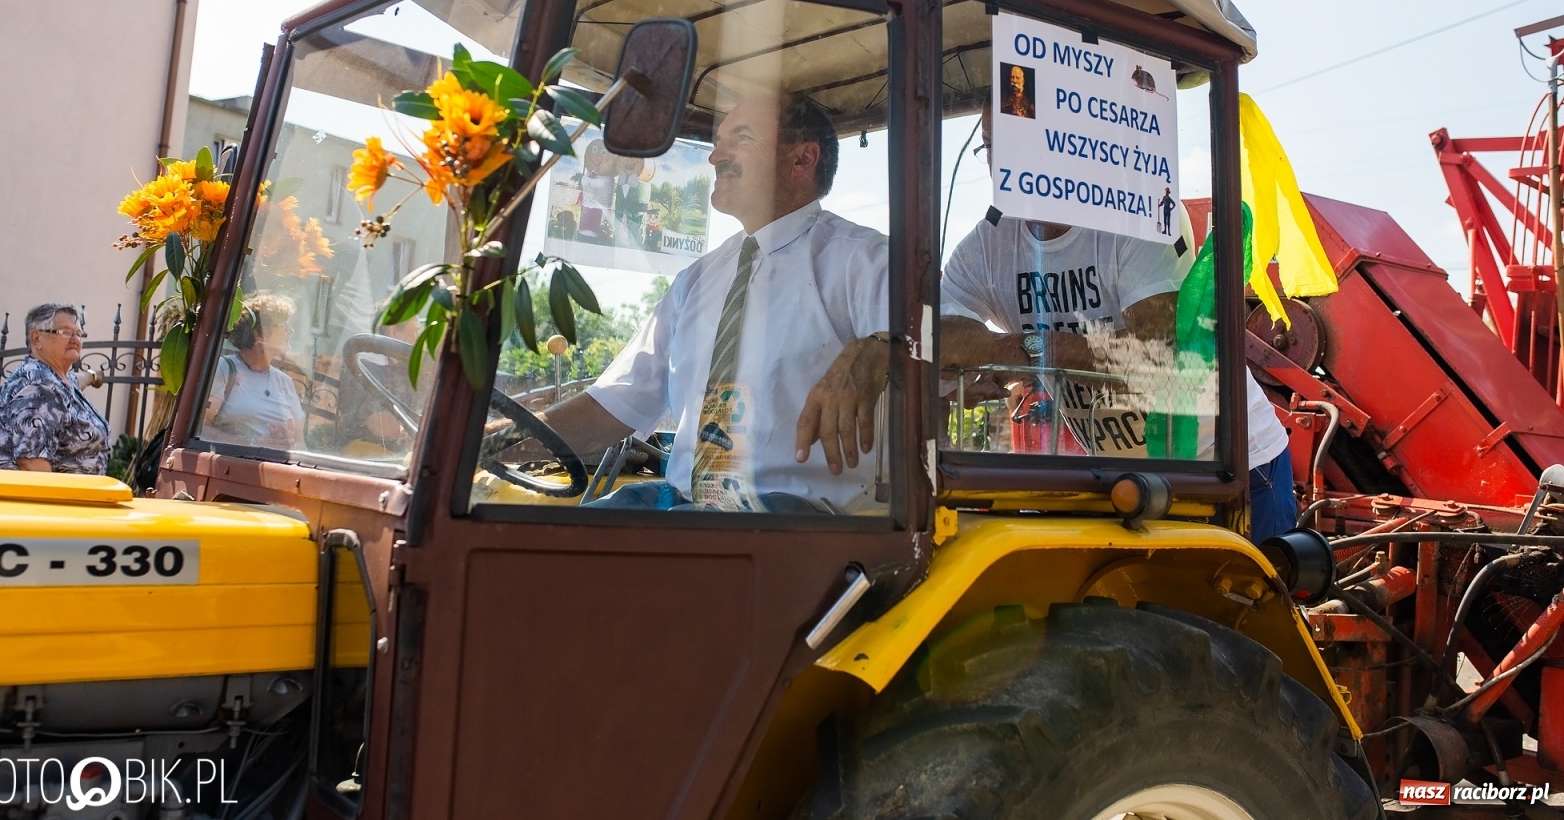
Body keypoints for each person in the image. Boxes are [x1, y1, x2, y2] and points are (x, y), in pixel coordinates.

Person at [798, 108, 1296, 541]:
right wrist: (1014, 353)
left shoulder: (1131, 215)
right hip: (1123, 476)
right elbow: (939, 334)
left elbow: (1153, 353)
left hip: (1230, 465)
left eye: (1015, 143)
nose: (998, 164)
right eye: (991, 148)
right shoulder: (990, 243)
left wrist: (1023, 350)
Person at [541, 93, 888, 512]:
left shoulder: (866, 260)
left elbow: (966, 338)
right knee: (551, 546)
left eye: (740, 139)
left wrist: (885, 347)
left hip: (794, 515)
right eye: (718, 142)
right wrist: (490, 441)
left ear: (802, 159)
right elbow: (611, 407)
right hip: (682, 504)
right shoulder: (695, 280)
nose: (715, 157)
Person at [0, 303, 110, 474]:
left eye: (78, 333)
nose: (75, 340)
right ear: (37, 339)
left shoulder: (59, 379)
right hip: (54, 499)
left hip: (80, 497)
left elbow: (76, 381)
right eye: (66, 332)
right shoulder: (37, 387)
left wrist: (92, 376)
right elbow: (32, 463)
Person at [202, 292, 306, 450]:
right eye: (283, 325)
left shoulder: (285, 382)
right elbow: (201, 430)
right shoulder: (225, 369)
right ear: (259, 333)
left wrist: (290, 444)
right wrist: (252, 444)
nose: (290, 331)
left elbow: (301, 444)